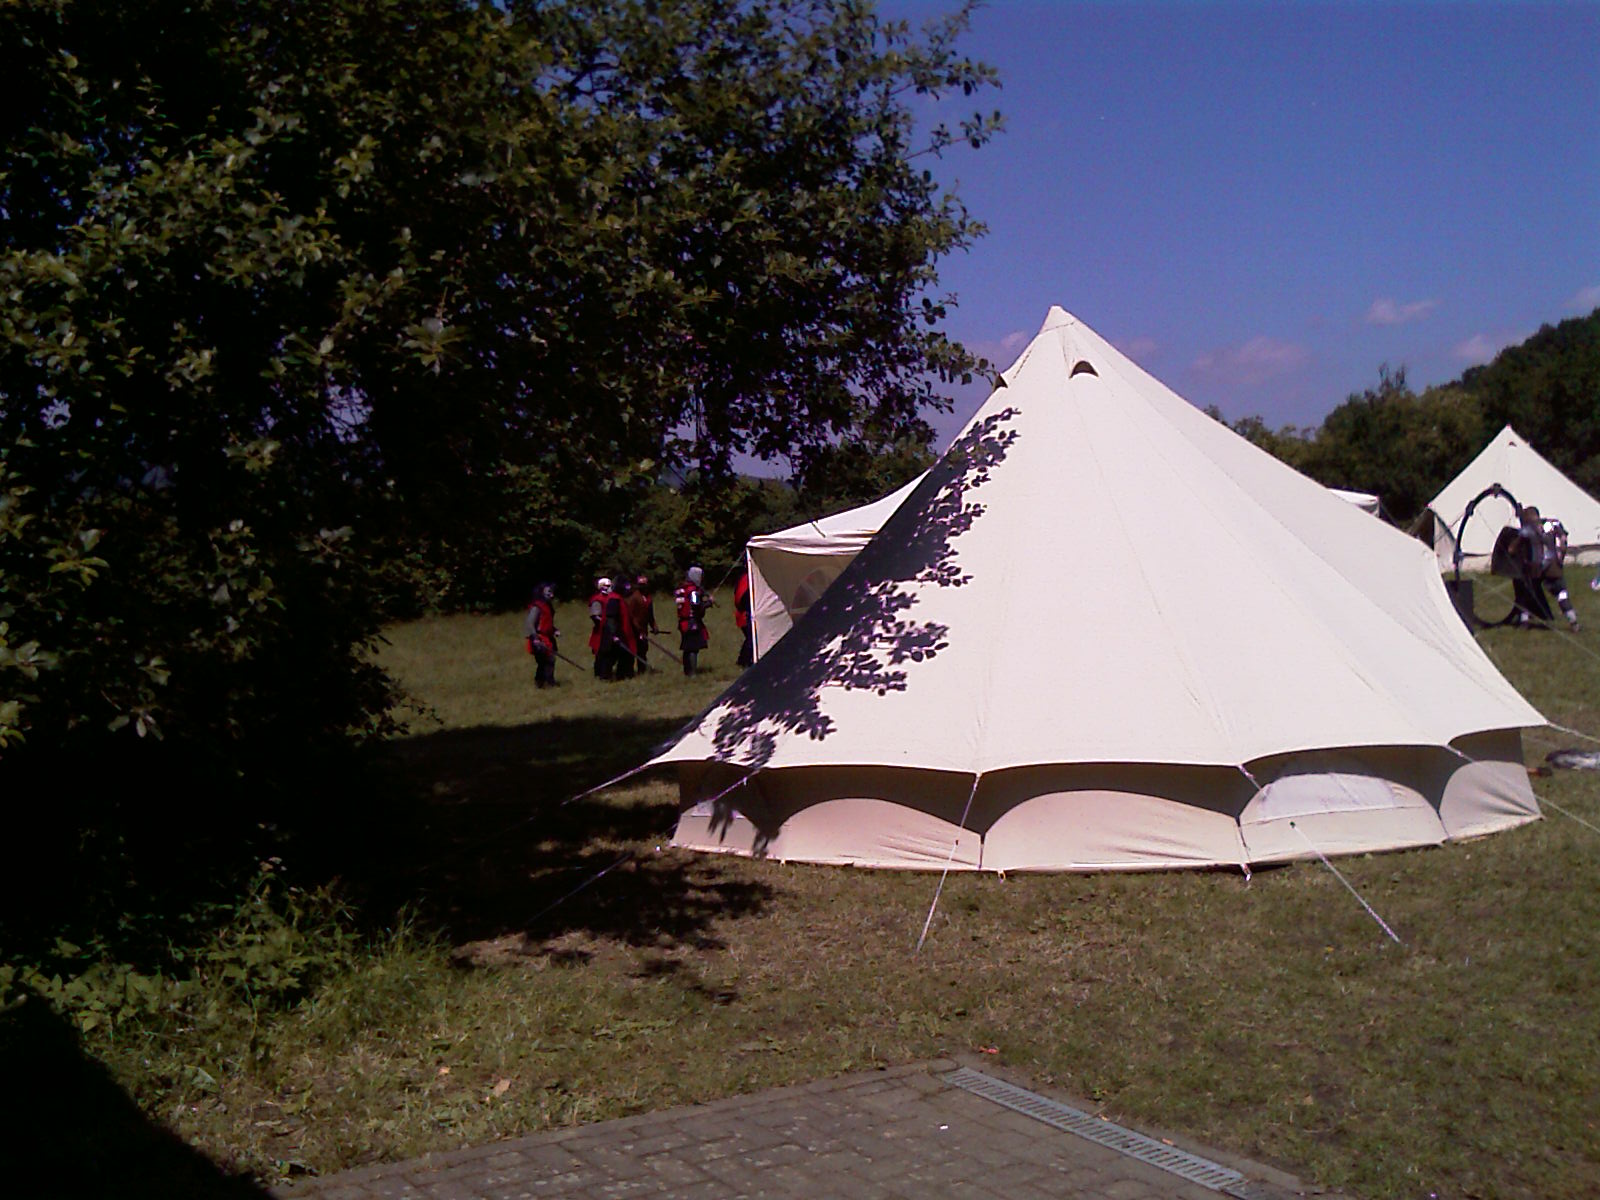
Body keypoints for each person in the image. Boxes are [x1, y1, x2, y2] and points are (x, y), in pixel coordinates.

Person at [1515, 506, 1580, 631]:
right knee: (1561, 594)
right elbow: (1563, 540)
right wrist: (1561, 557)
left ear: (1528, 517)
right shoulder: (1551, 524)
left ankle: (1524, 621)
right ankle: (1573, 621)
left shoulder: (1527, 529)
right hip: (1552, 566)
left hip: (1535, 567)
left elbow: (1513, 548)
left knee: (1527, 593)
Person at [675, 565, 713, 676]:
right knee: (693, 648)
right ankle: (692, 672)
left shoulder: (683, 589)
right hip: (692, 623)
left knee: (687, 647)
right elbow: (696, 606)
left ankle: (687, 671)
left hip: (684, 622)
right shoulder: (693, 591)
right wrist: (708, 603)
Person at [523, 583, 559, 687]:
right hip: (539, 638)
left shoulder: (548, 606)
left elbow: (546, 623)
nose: (551, 595)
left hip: (548, 637)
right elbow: (530, 623)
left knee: (549, 660)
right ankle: (545, 683)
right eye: (549, 592)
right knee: (546, 660)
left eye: (552, 592)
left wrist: (554, 630)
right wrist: (535, 638)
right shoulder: (537, 607)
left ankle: (545, 682)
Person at [625, 573, 660, 672]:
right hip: (634, 629)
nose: (643, 586)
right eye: (641, 584)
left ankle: (642, 670)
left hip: (643, 628)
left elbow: (650, 615)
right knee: (632, 650)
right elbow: (631, 615)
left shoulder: (648, 598)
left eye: (644, 584)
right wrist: (638, 629)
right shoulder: (634, 597)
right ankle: (629, 671)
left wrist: (654, 626)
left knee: (643, 650)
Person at [610, 577, 641, 679]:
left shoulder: (620, 599)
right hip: (620, 633)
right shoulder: (614, 600)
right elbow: (612, 618)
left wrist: (637, 630)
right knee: (621, 656)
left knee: (627, 655)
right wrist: (614, 634)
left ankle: (627, 674)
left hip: (626, 633)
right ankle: (620, 675)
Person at [588, 576, 613, 678]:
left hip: (609, 629)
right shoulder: (597, 599)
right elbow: (595, 616)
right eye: (607, 586)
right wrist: (604, 622)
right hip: (601, 631)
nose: (609, 587)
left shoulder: (610, 598)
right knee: (601, 653)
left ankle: (607, 672)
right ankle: (600, 674)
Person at [733, 565, 753, 667]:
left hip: (743, 614)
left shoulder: (743, 578)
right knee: (751, 638)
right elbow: (742, 598)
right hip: (745, 614)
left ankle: (743, 660)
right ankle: (744, 661)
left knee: (750, 638)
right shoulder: (746, 579)